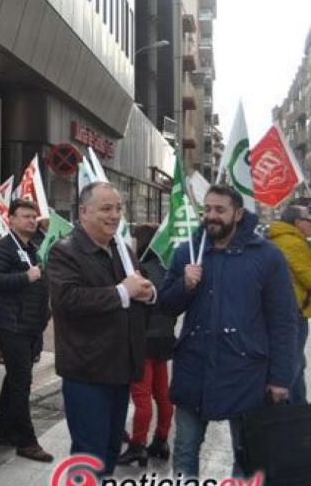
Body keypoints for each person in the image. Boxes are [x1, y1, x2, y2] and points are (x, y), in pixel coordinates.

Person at [160, 185, 297, 477]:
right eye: (207, 209)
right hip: (194, 370)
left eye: (219, 210)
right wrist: (184, 285)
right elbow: (166, 306)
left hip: (247, 373)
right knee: (184, 450)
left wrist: (280, 378)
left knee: (247, 454)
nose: (211, 216)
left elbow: (283, 321)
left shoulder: (267, 256)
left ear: (237, 213)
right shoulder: (188, 252)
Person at [46, 181, 155, 475]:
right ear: (83, 212)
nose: (115, 216)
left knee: (108, 451)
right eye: (106, 209)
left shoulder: (120, 249)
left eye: (119, 209)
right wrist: (122, 292)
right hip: (87, 370)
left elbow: (139, 284)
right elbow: (68, 299)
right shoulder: (65, 251)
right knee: (89, 454)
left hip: (120, 368)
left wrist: (148, 292)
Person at [0, 199, 53, 462]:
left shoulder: (34, 249)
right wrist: (26, 277)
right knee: (21, 382)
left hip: (30, 325)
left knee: (14, 380)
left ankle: (5, 433)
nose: (30, 220)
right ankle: (26, 441)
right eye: (25, 216)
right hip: (12, 324)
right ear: (10, 219)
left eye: (33, 216)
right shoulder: (3, 248)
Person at [120, 223, 177, 467]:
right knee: (162, 394)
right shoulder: (168, 268)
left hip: (142, 339)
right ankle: (161, 440)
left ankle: (138, 445)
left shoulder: (139, 270)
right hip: (164, 339)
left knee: (141, 396)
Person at [266, 205, 311, 405]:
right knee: (293, 364)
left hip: (285, 311)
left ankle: (296, 406)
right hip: (295, 313)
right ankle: (294, 410)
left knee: (294, 362)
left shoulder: (277, 239)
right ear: (297, 222)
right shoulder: (293, 243)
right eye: (308, 219)